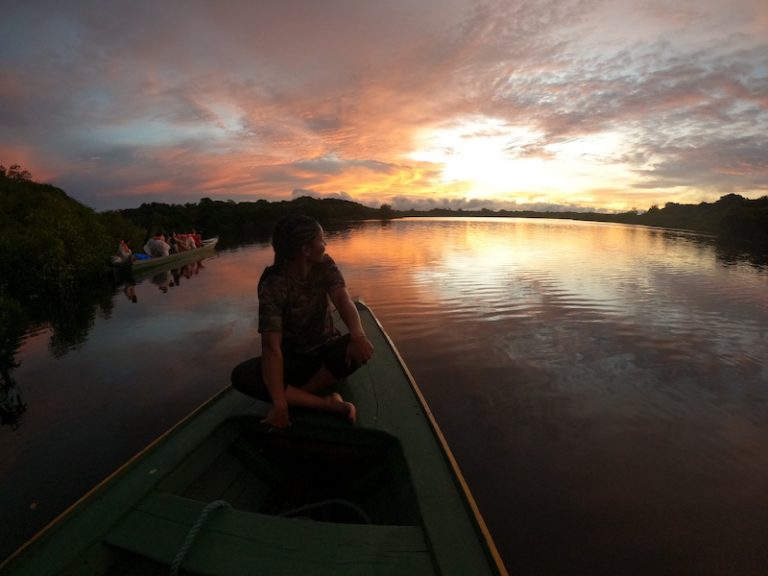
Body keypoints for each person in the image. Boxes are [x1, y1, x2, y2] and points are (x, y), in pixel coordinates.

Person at [231, 214, 374, 428]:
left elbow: (342, 299)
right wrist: (280, 405)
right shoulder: (273, 284)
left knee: (356, 349)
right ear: (306, 249)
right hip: (293, 360)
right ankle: (325, 403)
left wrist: (358, 335)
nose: (325, 245)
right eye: (321, 240)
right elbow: (271, 346)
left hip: (326, 353)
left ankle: (297, 396)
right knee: (243, 376)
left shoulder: (324, 264)